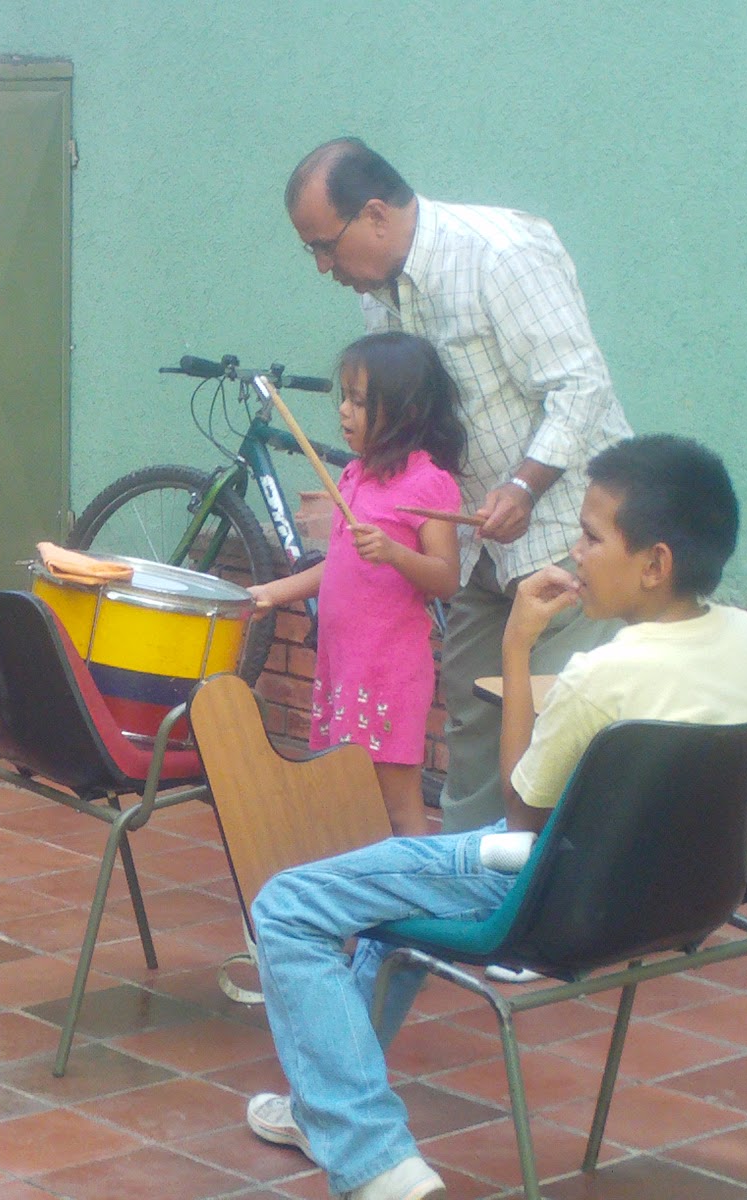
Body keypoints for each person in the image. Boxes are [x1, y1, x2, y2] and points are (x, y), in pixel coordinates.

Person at [241, 434, 747, 1200]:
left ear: (654, 564)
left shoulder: (600, 676)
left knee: (287, 906)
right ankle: (322, 1106)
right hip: (682, 899)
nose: (576, 552)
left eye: (591, 536)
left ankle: (373, 1158)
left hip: (549, 898)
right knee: (390, 908)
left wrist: (518, 645)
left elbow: (521, 810)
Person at [285, 137, 633, 833]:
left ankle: (546, 884)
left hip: (566, 532)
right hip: (472, 543)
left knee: (558, 722)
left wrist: (525, 485)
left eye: (325, 245)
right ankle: (469, 876)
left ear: (375, 214)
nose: (324, 267)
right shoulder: (378, 293)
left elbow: (580, 384)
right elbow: (411, 420)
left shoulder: (499, 254)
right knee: (474, 712)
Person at [248, 333, 465, 836]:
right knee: (345, 791)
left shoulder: (429, 483)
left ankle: (417, 882)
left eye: (360, 401)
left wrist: (394, 553)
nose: (344, 411)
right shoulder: (353, 475)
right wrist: (271, 594)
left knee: (398, 803)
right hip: (342, 665)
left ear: (407, 410)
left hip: (387, 672)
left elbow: (447, 579)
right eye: (344, 397)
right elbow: (342, 566)